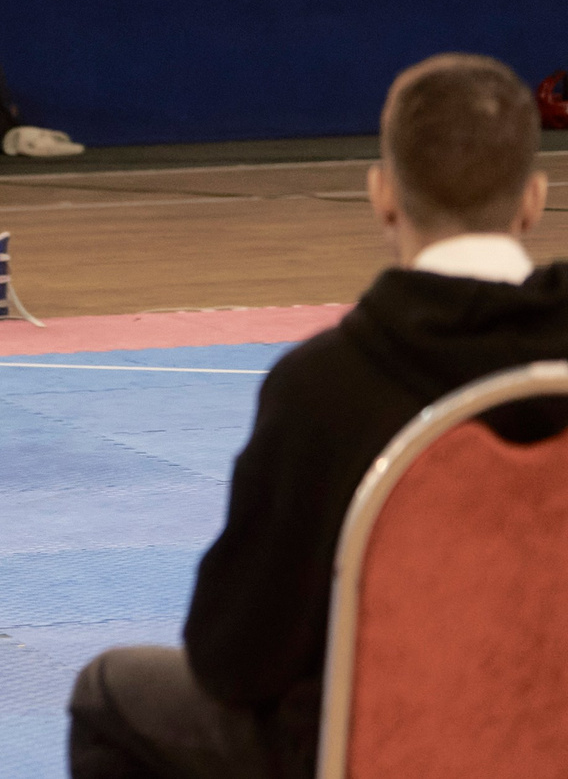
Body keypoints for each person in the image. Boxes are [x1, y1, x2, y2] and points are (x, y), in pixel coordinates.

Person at [67, 53, 568, 778]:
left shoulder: (325, 390)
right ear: (533, 199)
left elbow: (234, 660)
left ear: (383, 195)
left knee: (109, 694)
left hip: (373, 751)